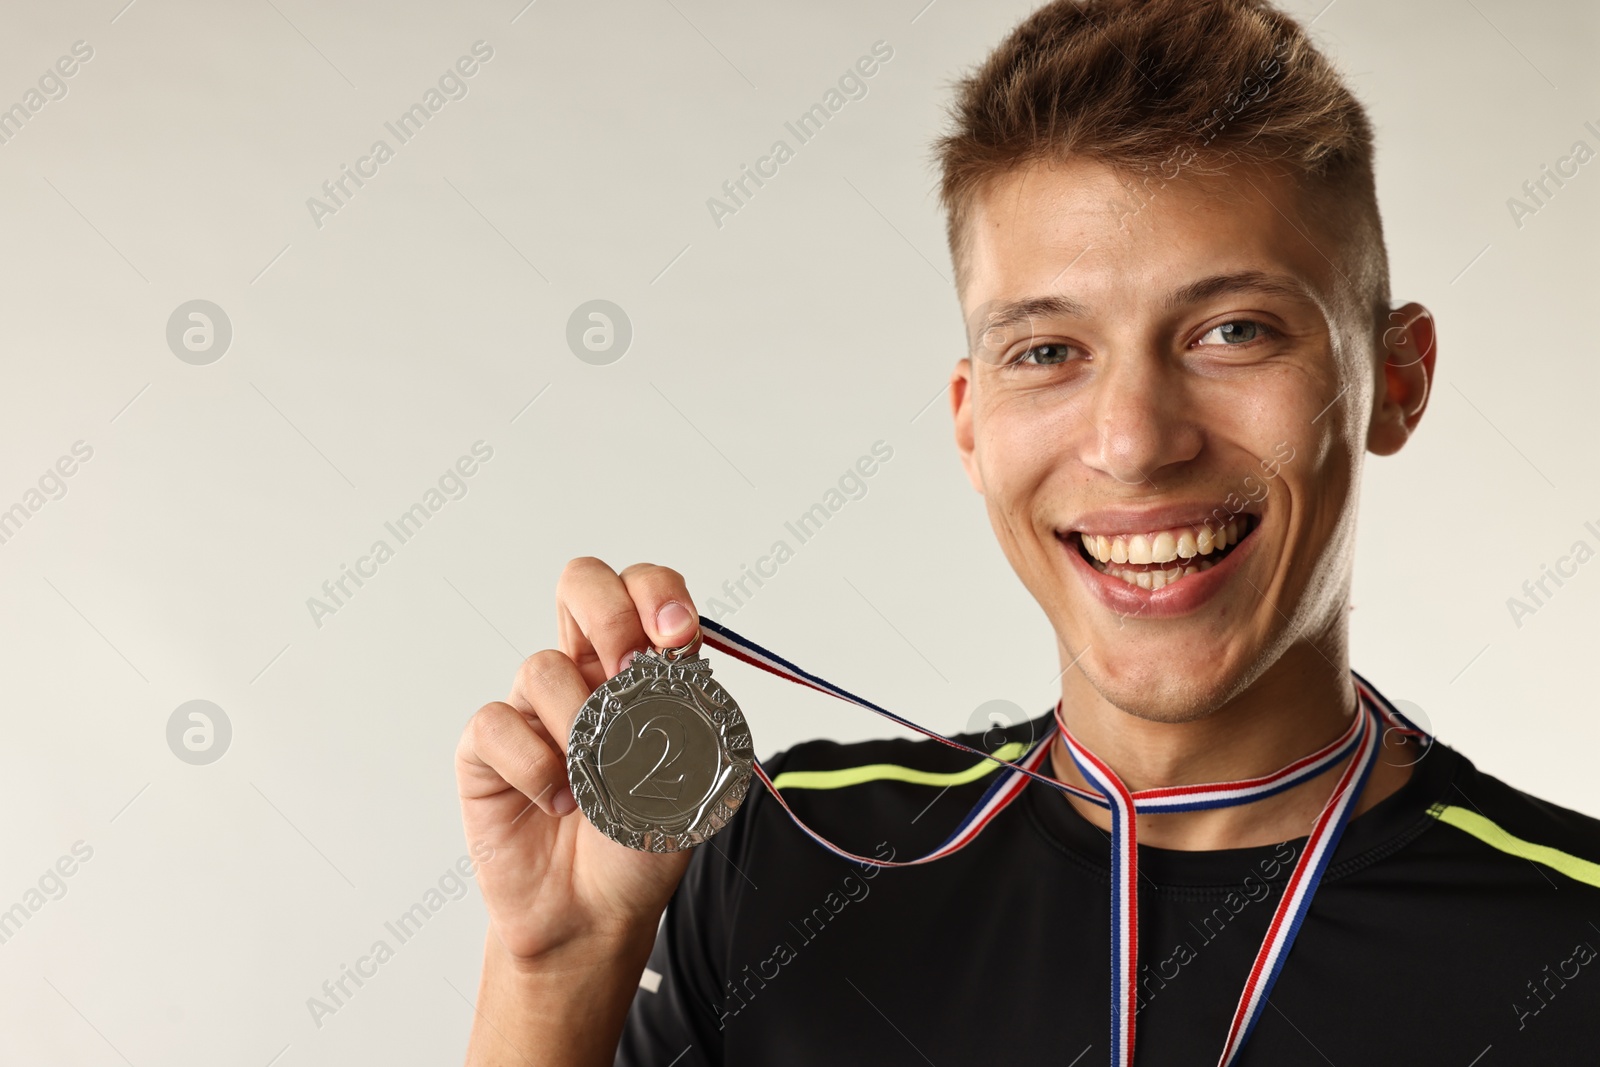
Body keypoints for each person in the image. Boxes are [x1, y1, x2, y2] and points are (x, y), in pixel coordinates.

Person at [453, 0, 1600, 1063]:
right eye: (1047, 351)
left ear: (1395, 379)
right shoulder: (783, 865)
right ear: (971, 421)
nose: (1134, 440)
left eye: (1233, 329)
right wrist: (550, 971)